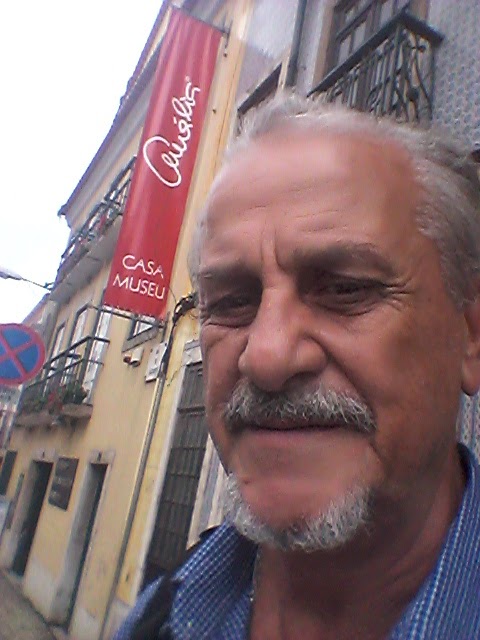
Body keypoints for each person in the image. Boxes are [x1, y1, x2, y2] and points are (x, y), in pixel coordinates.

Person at [115, 94, 480, 640]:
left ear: (470, 336)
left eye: (346, 289)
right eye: (232, 302)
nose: (266, 357)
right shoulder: (160, 614)